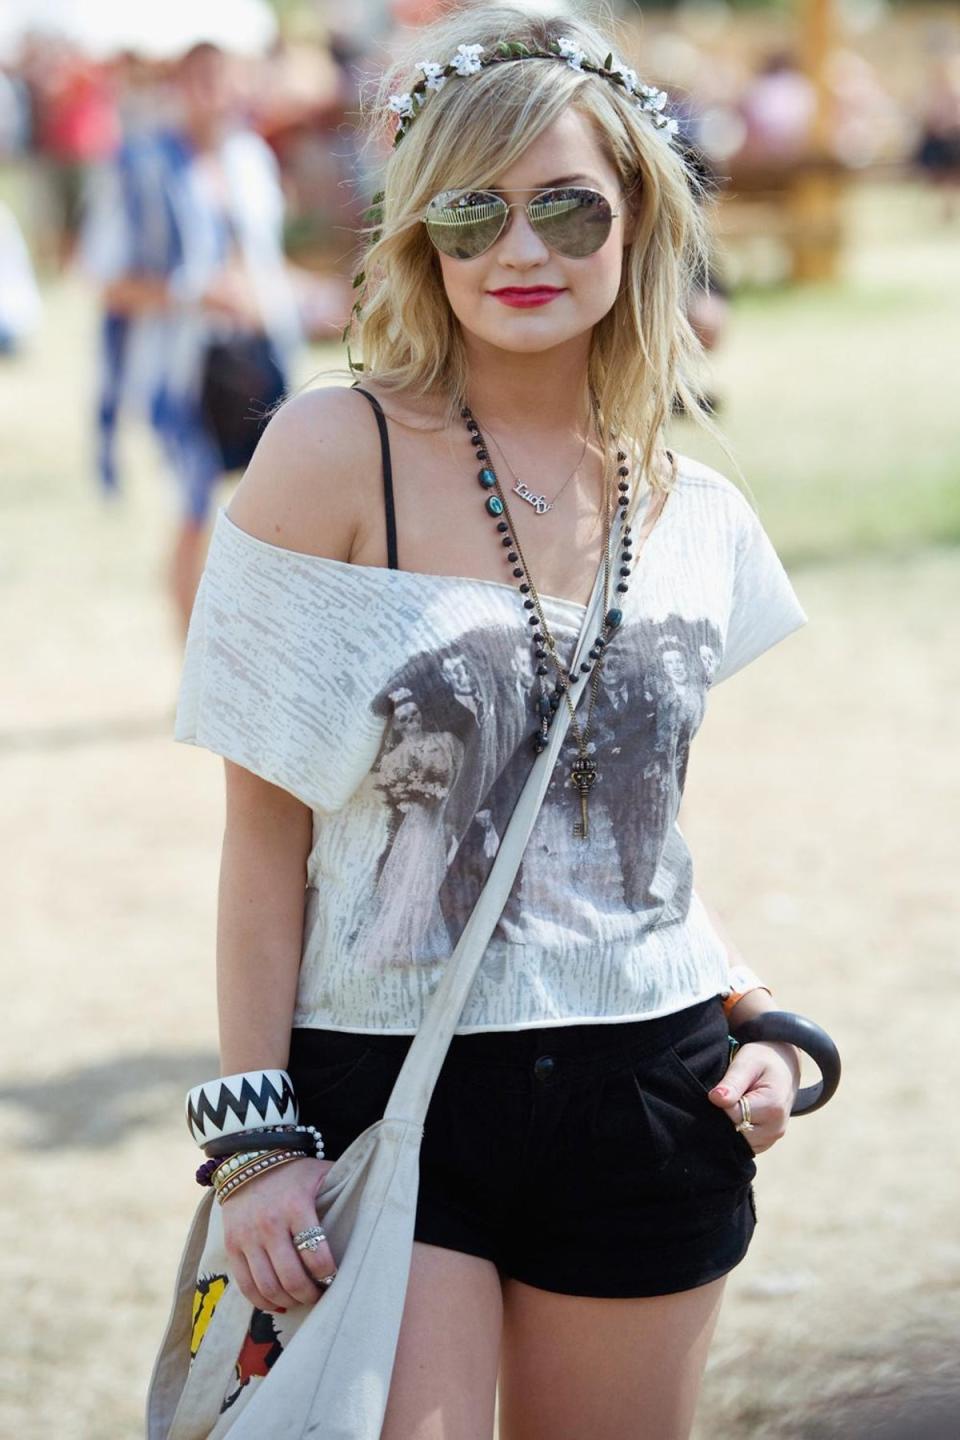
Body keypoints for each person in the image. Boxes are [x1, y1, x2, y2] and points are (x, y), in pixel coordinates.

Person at [174, 8, 811, 1437]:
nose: (520, 251)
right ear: (421, 237)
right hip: (389, 1085)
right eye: (473, 212)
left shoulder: (694, 505)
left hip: (653, 1085)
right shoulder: (332, 456)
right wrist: (254, 1143)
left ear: (636, 216)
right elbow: (262, 842)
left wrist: (763, 1024)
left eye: (566, 207)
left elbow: (624, 838)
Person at [79, 42, 303, 640]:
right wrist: (192, 294)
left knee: (277, 511)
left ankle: (259, 649)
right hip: (179, 369)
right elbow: (103, 281)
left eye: (225, 80)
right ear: (177, 86)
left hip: (257, 356)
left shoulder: (250, 159)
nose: (214, 95)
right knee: (194, 508)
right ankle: (193, 659)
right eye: (199, 80)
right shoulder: (138, 164)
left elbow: (266, 265)